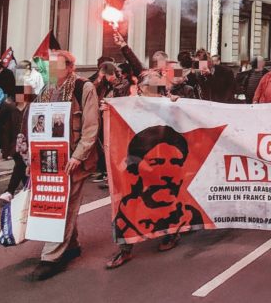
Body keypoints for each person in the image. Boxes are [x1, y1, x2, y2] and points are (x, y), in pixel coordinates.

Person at [30, 50, 99, 281]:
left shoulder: (84, 87)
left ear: (70, 67)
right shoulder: (47, 89)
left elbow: (90, 127)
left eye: (56, 66)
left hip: (73, 159)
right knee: (61, 202)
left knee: (65, 204)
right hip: (50, 157)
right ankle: (72, 245)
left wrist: (78, 156)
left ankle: (51, 256)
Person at [106, 122, 203, 269]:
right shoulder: (123, 217)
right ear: (135, 169)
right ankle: (125, 249)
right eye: (156, 162)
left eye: (176, 162)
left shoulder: (191, 215)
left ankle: (171, 234)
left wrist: (173, 99)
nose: (167, 173)